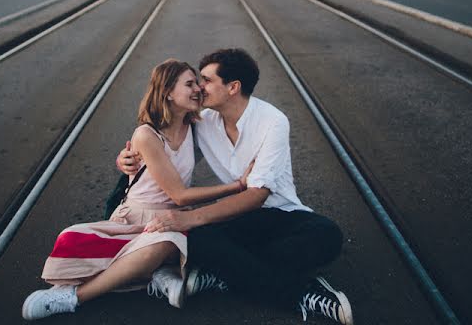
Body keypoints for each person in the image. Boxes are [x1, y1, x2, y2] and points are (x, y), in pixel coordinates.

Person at [118, 48, 352, 324]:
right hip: (236, 217)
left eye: (205, 80)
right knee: (198, 240)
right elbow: (162, 147)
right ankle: (300, 292)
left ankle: (225, 274)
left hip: (280, 215)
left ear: (233, 87)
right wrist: (127, 159)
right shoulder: (202, 123)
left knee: (327, 236)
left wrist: (188, 218)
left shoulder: (272, 121)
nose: (199, 88)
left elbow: (257, 196)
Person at [22, 59, 252, 320]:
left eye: (197, 83)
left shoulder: (195, 128)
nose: (198, 88)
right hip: (136, 217)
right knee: (71, 237)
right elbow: (179, 194)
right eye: (189, 84)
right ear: (167, 91)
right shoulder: (147, 134)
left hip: (173, 220)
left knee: (171, 238)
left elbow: (231, 133)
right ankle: (146, 275)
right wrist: (237, 187)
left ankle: (79, 295)